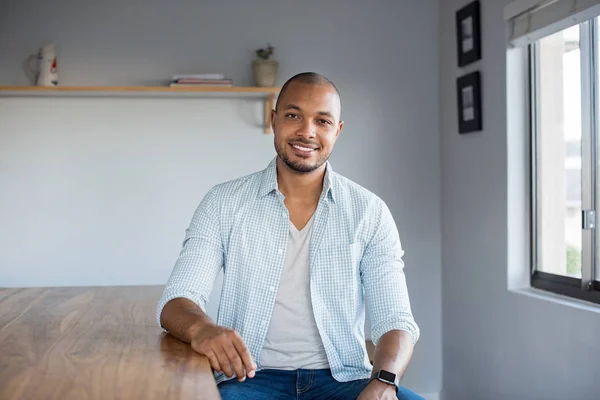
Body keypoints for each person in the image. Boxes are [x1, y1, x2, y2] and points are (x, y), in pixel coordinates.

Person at [156, 72, 422, 400]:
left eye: (322, 121)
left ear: (337, 131)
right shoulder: (223, 202)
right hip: (248, 379)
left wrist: (383, 383)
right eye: (293, 115)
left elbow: (396, 321)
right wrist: (203, 329)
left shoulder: (369, 212)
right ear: (274, 120)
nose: (306, 132)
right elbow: (176, 301)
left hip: (344, 382)